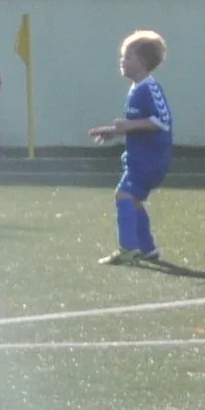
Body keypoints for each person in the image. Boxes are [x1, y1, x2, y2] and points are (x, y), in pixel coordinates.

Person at [89, 29, 171, 264]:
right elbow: (138, 125)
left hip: (151, 159)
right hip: (139, 158)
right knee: (132, 199)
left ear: (142, 62)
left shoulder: (149, 88)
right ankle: (147, 249)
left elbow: (162, 121)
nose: (122, 61)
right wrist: (114, 131)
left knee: (123, 195)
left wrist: (128, 125)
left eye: (127, 57)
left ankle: (128, 249)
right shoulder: (136, 88)